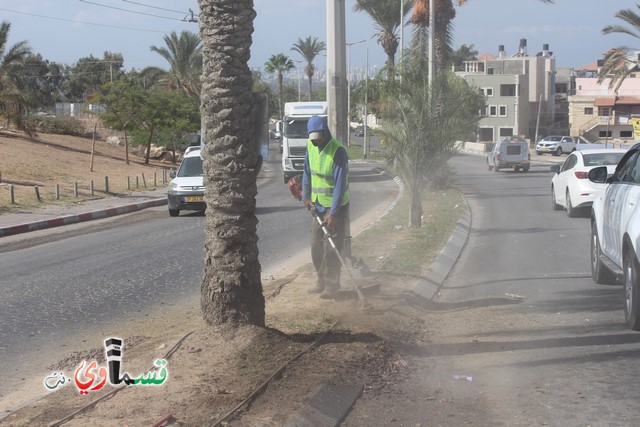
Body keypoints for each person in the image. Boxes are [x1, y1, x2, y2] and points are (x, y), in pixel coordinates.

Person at [302, 115, 350, 299]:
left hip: (335, 208)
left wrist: (334, 212)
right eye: (313, 139)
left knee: (332, 249)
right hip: (318, 205)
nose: (316, 142)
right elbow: (307, 172)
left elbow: (339, 184)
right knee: (316, 246)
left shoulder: (337, 150)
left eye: (319, 138)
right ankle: (321, 280)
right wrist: (306, 196)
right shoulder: (310, 146)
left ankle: (332, 285)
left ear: (325, 133)